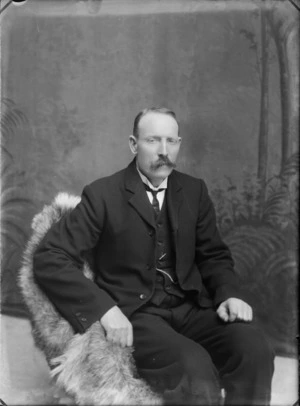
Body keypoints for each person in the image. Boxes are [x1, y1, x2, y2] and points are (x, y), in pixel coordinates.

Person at [33, 107, 274, 405]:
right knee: (194, 369)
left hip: (191, 307)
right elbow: (50, 256)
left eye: (171, 141)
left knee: (255, 349)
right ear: (134, 144)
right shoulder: (103, 194)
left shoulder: (194, 190)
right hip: (138, 315)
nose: (164, 151)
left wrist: (228, 294)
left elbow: (213, 255)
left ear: (179, 144)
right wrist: (105, 311)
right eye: (153, 141)